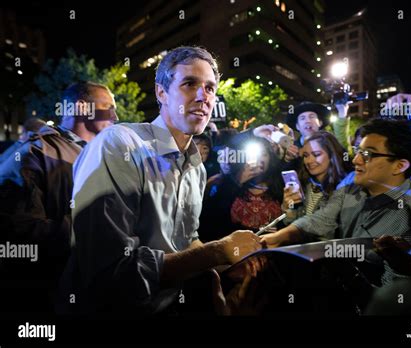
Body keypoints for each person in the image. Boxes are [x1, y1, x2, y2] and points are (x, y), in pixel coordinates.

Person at [57, 46, 261, 316]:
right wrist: (216, 253)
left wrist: (231, 263)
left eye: (210, 88)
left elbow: (185, 240)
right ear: (161, 92)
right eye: (190, 83)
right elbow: (109, 270)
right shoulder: (119, 145)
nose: (203, 96)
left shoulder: (196, 168)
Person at [262, 119, 411, 284]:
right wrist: (279, 237)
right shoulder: (350, 191)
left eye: (368, 154)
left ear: (399, 165)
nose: (356, 160)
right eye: (357, 151)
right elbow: (319, 220)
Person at [0, 81, 117, 315]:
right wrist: (94, 231)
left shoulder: (105, 156)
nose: (115, 116)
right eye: (109, 107)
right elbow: (18, 231)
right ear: (83, 108)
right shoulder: (34, 153)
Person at [199, 135, 284, 242]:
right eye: (253, 154)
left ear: (270, 159)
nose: (258, 159)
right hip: (234, 249)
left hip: (271, 249)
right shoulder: (227, 182)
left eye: (263, 154)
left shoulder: (280, 185)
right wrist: (236, 182)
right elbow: (211, 219)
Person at [282, 131, 351, 228]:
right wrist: (289, 207)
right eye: (306, 155)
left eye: (316, 154)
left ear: (332, 155)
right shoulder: (304, 184)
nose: (309, 161)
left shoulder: (346, 188)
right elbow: (290, 225)